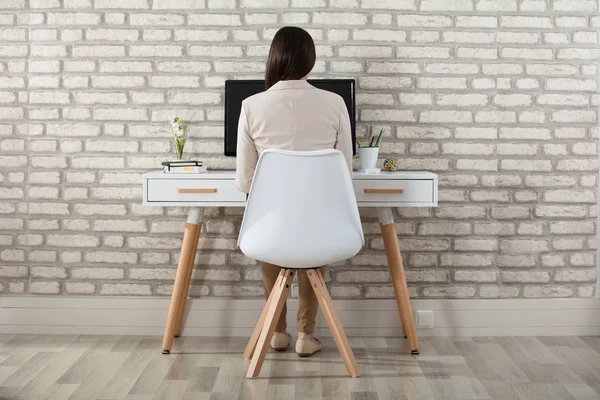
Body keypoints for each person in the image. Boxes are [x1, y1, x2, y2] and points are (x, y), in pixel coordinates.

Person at [235, 26, 353, 357]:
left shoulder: (251, 105)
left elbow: (245, 181)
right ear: (310, 60)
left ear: (274, 58)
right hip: (321, 226)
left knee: (273, 240)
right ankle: (307, 333)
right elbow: (344, 170)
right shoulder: (334, 103)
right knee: (313, 243)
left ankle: (277, 332)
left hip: (271, 229)